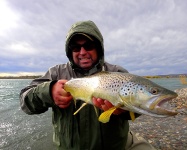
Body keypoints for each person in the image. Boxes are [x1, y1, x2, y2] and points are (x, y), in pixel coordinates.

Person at [20, 20, 156, 150]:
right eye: (75, 47)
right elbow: (25, 102)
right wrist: (49, 92)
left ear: (98, 48)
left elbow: (138, 107)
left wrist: (124, 110)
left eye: (89, 45)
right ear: (69, 51)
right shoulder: (56, 73)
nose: (82, 52)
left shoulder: (117, 73)